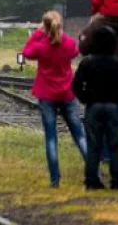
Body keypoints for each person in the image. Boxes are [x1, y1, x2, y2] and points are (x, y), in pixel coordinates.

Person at [22, 11, 87, 188]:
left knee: (51, 138)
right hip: (67, 94)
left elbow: (26, 52)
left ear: (45, 26)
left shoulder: (41, 46)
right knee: (79, 134)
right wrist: (61, 34)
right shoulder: (68, 43)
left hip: (47, 95)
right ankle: (93, 173)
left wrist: (37, 33)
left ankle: (55, 180)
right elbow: (75, 51)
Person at [72, 26, 118, 190]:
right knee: (115, 145)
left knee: (93, 145)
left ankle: (91, 180)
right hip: (113, 106)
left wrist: (85, 98)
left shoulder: (87, 63)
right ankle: (117, 181)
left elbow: (76, 84)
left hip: (93, 105)